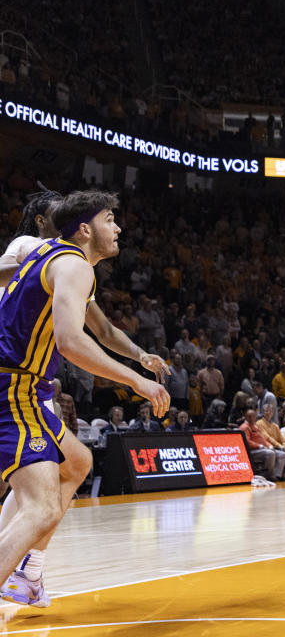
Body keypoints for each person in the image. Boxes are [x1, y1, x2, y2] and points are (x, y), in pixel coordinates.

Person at [0, 190, 169, 607]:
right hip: (14, 387)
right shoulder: (72, 265)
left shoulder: (55, 258)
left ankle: (27, 576)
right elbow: (71, 342)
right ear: (85, 228)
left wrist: (139, 357)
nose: (118, 227)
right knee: (40, 509)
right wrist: (137, 382)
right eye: (111, 218)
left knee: (77, 461)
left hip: (25, 387)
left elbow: (104, 332)